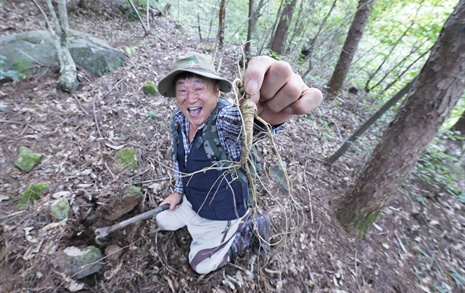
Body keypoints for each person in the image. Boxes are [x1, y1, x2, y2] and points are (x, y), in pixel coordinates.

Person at [155, 52, 322, 274]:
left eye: (198, 88)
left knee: (201, 265)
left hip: (222, 211)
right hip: (191, 199)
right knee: (161, 220)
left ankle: (246, 229)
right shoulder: (178, 118)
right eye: (182, 90)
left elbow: (242, 123)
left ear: (217, 90)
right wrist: (177, 191)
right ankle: (197, 218)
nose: (190, 98)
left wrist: (261, 112)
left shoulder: (224, 121)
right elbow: (180, 159)